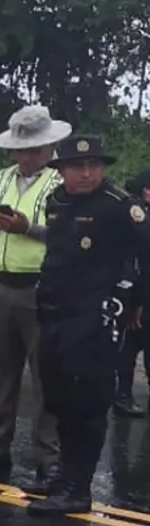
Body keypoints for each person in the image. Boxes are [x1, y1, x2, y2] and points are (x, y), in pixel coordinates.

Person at [27, 134, 150, 516]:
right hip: (56, 312)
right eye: (77, 166)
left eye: (93, 165)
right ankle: (62, 475)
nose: (86, 172)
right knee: (58, 395)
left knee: (88, 400)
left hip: (96, 316)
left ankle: (78, 488)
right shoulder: (56, 202)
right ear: (60, 170)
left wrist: (136, 299)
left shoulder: (119, 207)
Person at [0, 106, 69, 490]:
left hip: (43, 285)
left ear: (50, 145)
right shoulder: (2, 178)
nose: (25, 157)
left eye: (33, 149)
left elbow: (66, 235)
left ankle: (49, 460)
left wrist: (27, 228)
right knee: (0, 373)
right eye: (21, 149)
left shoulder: (62, 182)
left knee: (46, 375)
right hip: (2, 285)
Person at [113, 169, 150, 417]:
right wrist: (139, 300)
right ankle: (123, 397)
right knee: (131, 343)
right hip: (135, 291)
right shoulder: (137, 215)